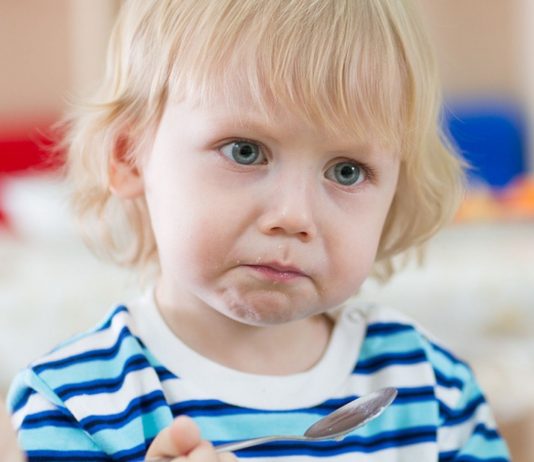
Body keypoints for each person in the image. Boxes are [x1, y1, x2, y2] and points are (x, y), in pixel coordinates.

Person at [7, 0, 510, 461]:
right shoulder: (72, 404)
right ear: (129, 155)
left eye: (347, 171)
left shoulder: (433, 392)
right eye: (245, 151)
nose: (293, 215)